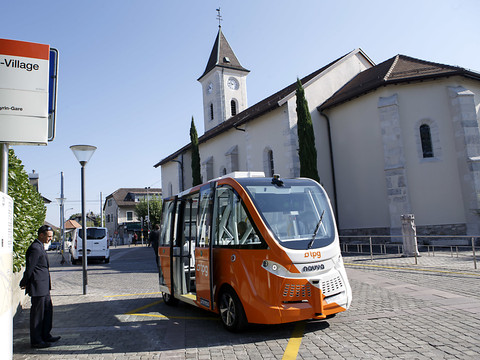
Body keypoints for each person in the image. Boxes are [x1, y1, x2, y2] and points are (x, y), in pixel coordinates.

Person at [20, 225, 61, 348]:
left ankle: (45, 335)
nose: (50, 239)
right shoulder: (35, 248)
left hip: (43, 286)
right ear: (41, 235)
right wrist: (24, 282)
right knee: (38, 315)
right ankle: (37, 340)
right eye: (48, 236)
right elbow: (30, 268)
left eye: (51, 237)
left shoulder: (40, 246)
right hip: (38, 286)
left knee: (48, 311)